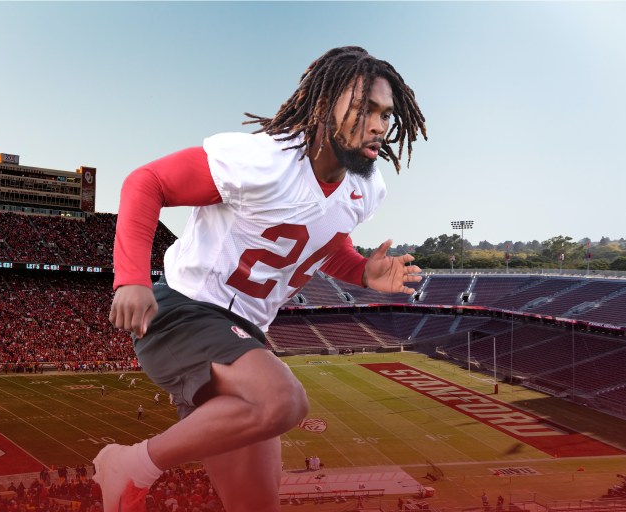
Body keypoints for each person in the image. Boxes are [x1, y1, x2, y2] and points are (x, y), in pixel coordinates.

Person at [95, 45, 426, 512]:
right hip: (184, 312)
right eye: (362, 109)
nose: (377, 125)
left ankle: (131, 478)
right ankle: (132, 464)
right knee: (284, 401)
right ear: (322, 105)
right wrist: (130, 277)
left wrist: (362, 272)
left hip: (242, 335)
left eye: (385, 115)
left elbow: (318, 245)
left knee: (255, 504)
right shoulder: (263, 161)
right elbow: (146, 182)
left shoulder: (366, 189)